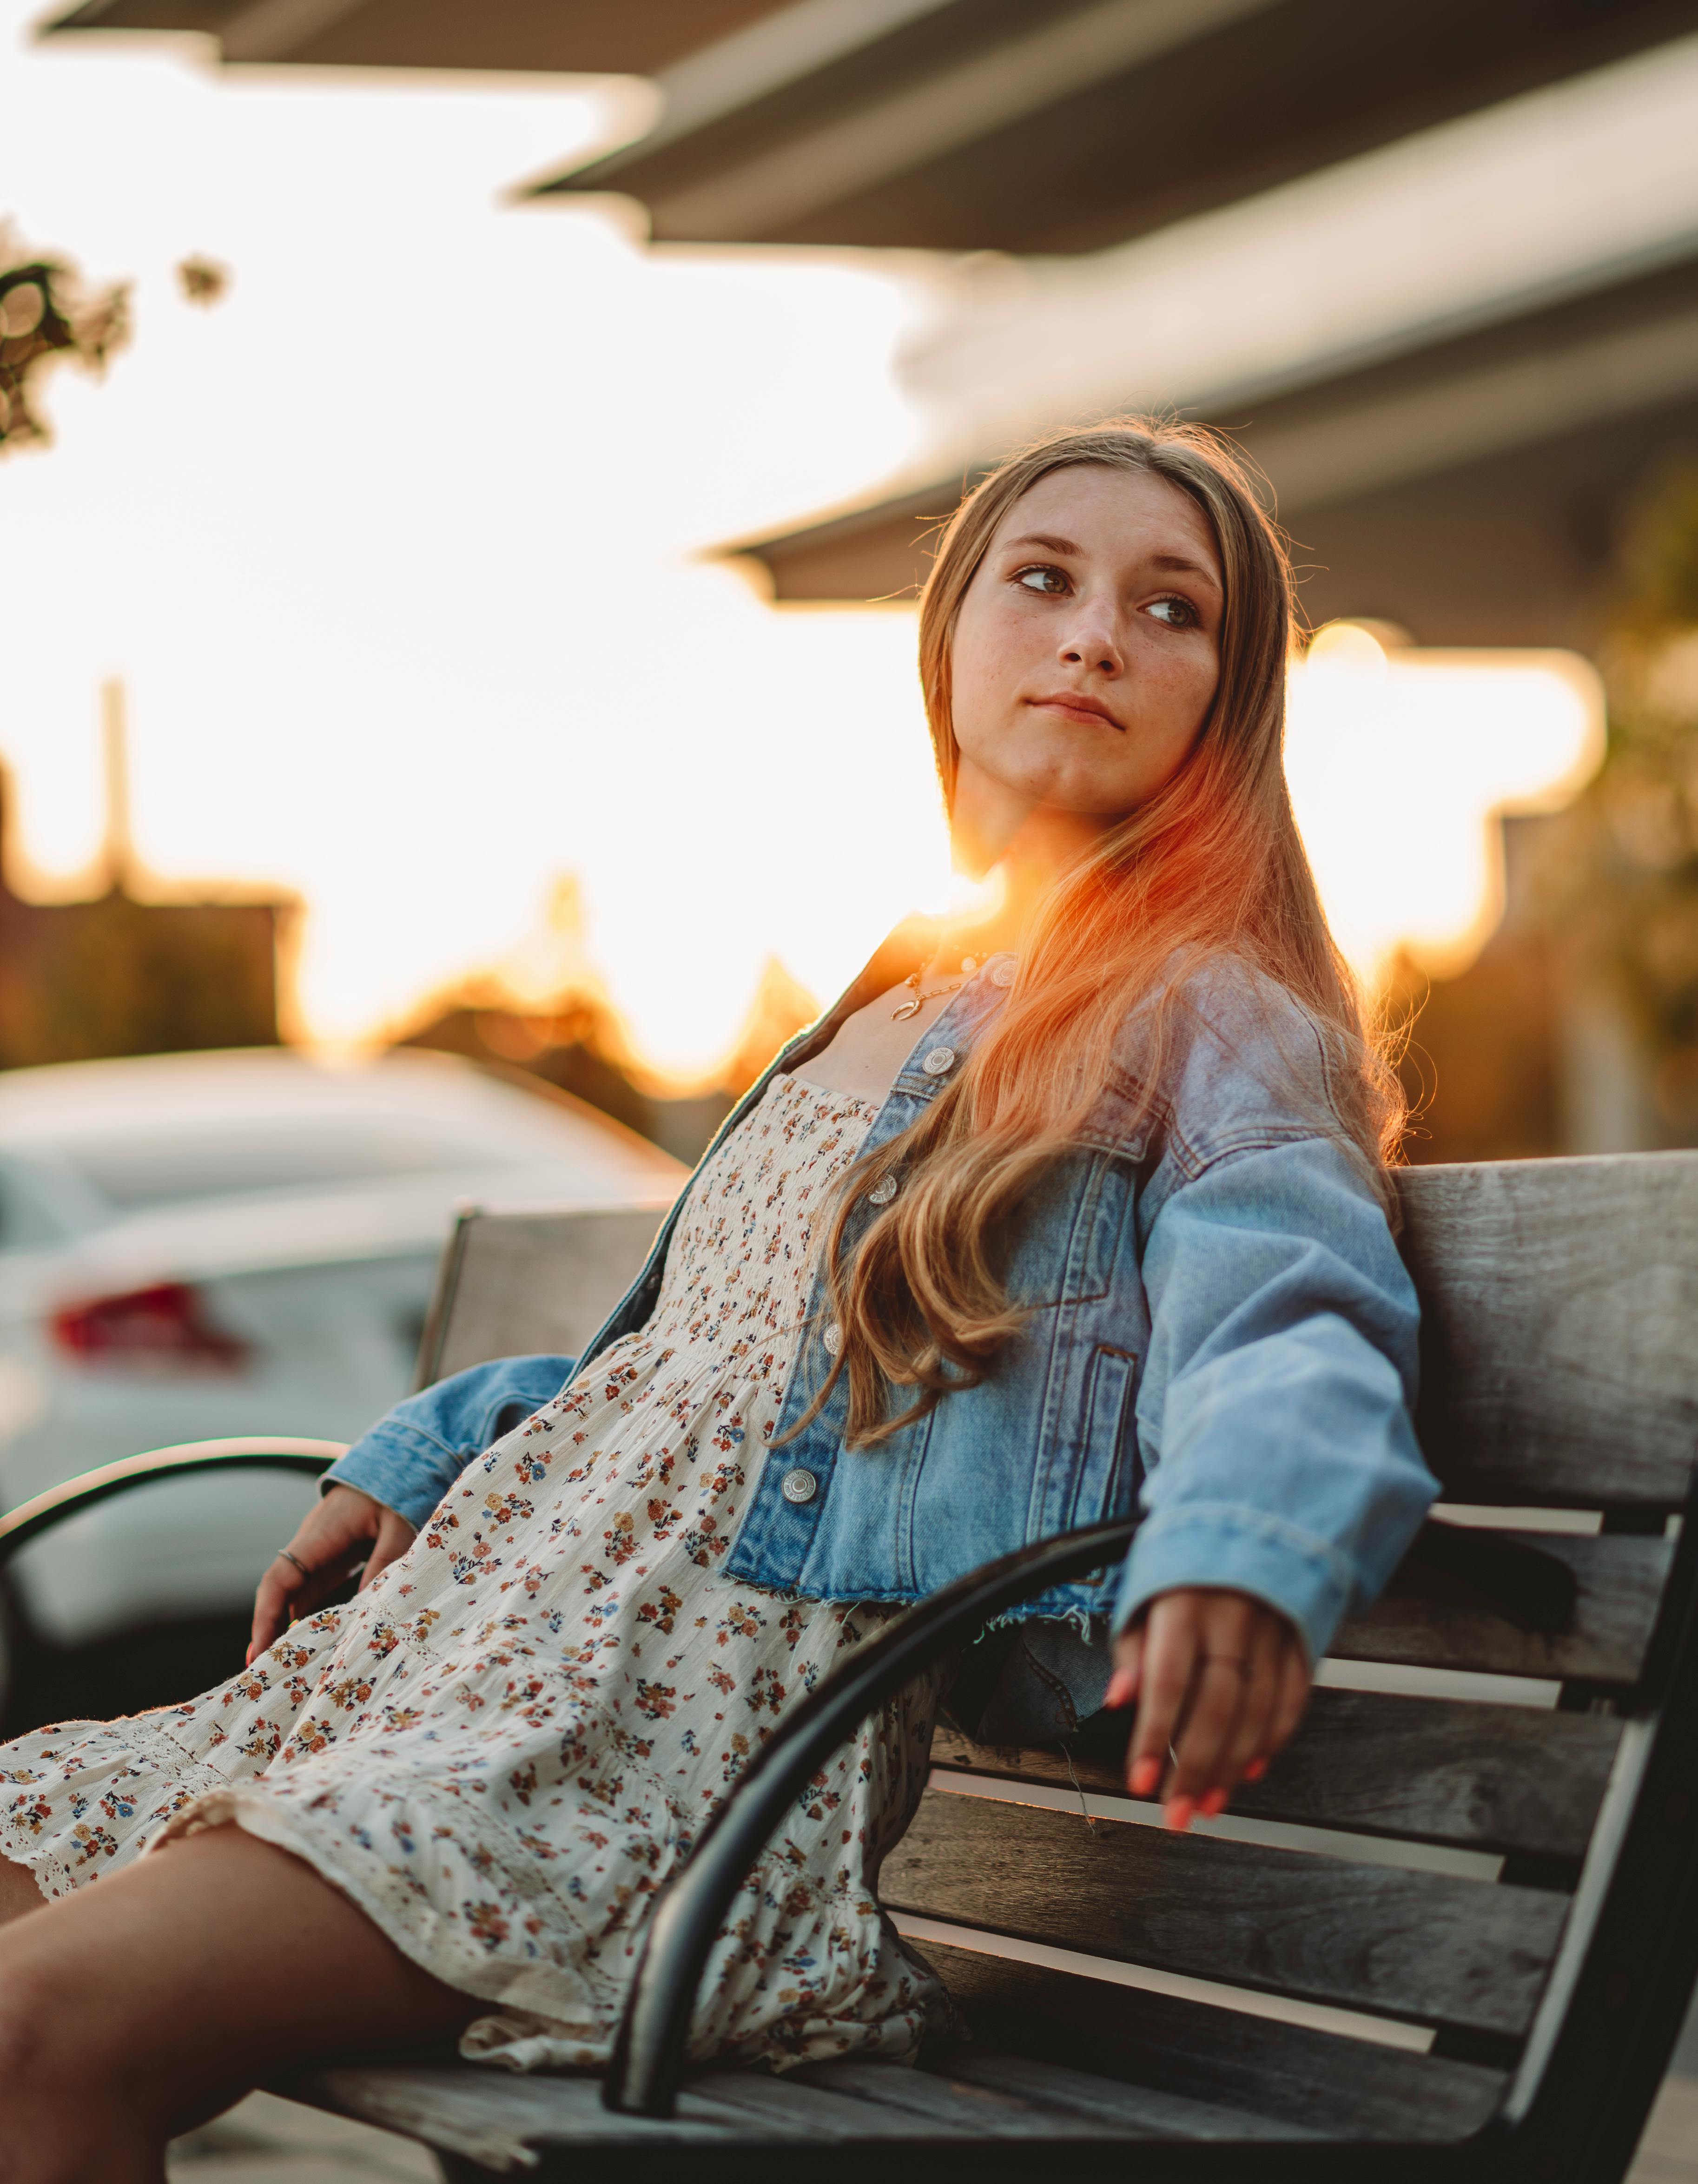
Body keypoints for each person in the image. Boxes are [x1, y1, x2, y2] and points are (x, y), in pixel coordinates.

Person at [0, 417, 1435, 2180]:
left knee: (35, 2035)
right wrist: (432, 1444)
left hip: (658, 1770)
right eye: (1045, 581)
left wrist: (1245, 1540)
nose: (1094, 637)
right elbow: (710, 1367)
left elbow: (1296, 1308)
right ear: (950, 638)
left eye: (1172, 609)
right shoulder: (878, 1002)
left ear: (1232, 699)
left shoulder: (1205, 1014)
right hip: (459, 1662)